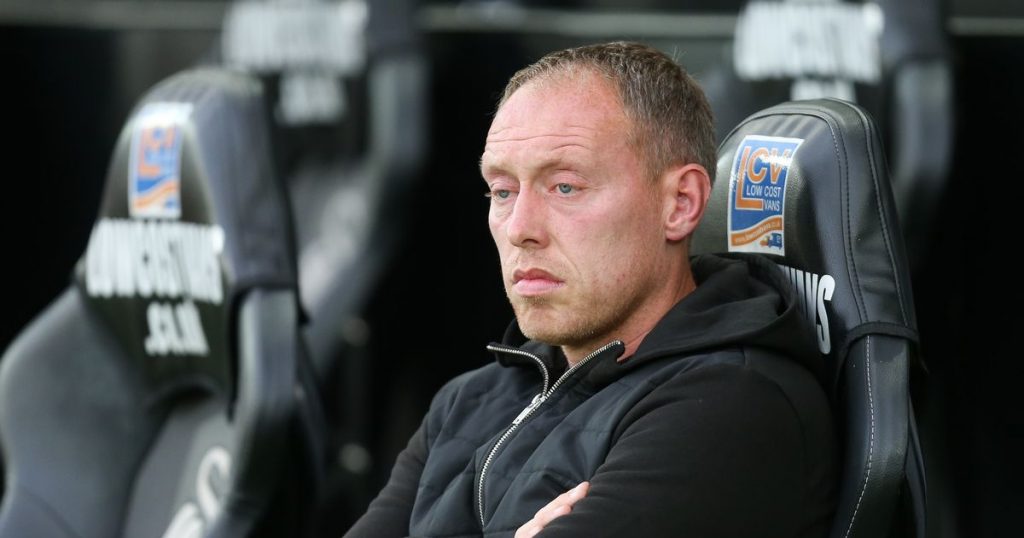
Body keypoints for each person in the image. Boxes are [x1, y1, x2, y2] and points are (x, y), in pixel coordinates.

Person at [345, 41, 837, 537]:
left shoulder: (731, 407)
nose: (520, 228)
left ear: (681, 203)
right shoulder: (471, 399)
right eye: (502, 191)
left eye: (565, 187)